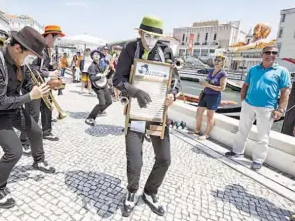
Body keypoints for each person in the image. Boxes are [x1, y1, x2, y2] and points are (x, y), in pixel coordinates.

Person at [0, 26, 56, 209]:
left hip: (11, 105)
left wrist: (45, 87)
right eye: (28, 55)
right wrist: (29, 97)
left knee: (36, 131)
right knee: (14, 151)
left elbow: (25, 84)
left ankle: (38, 161)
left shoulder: (18, 61)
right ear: (18, 48)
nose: (28, 60)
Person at [113, 16, 180, 217]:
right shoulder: (130, 49)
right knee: (135, 160)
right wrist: (136, 92)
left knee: (165, 159)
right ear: (140, 33)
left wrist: (172, 94)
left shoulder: (166, 51)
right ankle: (132, 192)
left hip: (158, 114)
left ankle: (150, 192)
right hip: (136, 113)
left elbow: (176, 80)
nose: (150, 40)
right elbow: (117, 79)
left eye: (154, 36)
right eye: (147, 35)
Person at [225, 46, 291, 171]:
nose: (270, 55)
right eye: (267, 52)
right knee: (242, 130)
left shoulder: (282, 71)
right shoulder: (253, 69)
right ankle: (237, 151)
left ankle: (258, 160)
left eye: (274, 53)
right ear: (262, 54)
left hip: (267, 108)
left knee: (263, 135)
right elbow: (245, 85)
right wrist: (243, 101)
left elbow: (285, 92)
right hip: (249, 104)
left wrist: (280, 109)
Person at [24, 25, 65, 143]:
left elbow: (44, 66)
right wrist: (49, 73)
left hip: (42, 82)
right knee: (34, 113)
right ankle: (26, 140)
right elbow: (30, 68)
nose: (56, 41)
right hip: (33, 84)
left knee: (47, 107)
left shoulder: (47, 49)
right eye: (56, 38)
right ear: (50, 36)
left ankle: (46, 132)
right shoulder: (38, 48)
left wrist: (53, 69)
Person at [188, 55, 228, 140]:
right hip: (205, 94)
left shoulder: (223, 73)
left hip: (214, 96)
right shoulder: (211, 70)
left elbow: (222, 88)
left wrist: (208, 85)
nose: (216, 61)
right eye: (215, 60)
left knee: (209, 116)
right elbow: (207, 82)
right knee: (199, 113)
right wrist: (203, 84)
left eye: (219, 60)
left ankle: (206, 134)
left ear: (223, 63)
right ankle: (197, 130)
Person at [85, 50, 114, 126]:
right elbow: (92, 78)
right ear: (92, 57)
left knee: (109, 102)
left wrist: (111, 71)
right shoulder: (92, 67)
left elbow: (107, 76)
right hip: (97, 87)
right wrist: (101, 75)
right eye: (94, 54)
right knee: (102, 102)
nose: (96, 55)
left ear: (100, 56)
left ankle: (100, 110)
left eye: (98, 54)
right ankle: (90, 118)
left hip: (104, 85)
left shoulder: (102, 65)